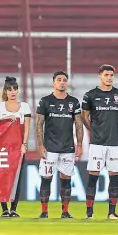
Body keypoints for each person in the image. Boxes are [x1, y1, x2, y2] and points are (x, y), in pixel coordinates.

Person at [35, 71, 83, 219]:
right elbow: (39, 124)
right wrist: (40, 145)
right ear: (53, 82)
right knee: (46, 178)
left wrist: (79, 144)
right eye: (59, 80)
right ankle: (44, 211)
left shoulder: (74, 102)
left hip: (67, 147)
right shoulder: (45, 101)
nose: (62, 82)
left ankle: (65, 212)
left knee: (66, 179)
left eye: (64, 80)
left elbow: (79, 124)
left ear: (67, 83)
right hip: (49, 147)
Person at [82, 64, 118, 220]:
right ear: (100, 75)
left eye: (111, 75)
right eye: (106, 75)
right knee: (93, 176)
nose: (109, 78)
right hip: (97, 142)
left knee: (114, 176)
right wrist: (93, 130)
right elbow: (84, 116)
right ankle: (89, 212)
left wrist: (115, 129)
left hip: (114, 142)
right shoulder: (90, 95)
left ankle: (112, 212)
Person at [0, 76, 31, 218]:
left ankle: (14, 209)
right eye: (10, 89)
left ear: (18, 91)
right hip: (2, 148)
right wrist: (5, 120)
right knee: (2, 179)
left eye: (15, 89)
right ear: (5, 91)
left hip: (18, 148)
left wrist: (24, 144)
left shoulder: (24, 106)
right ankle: (4, 209)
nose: (13, 92)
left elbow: (27, 127)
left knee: (17, 179)